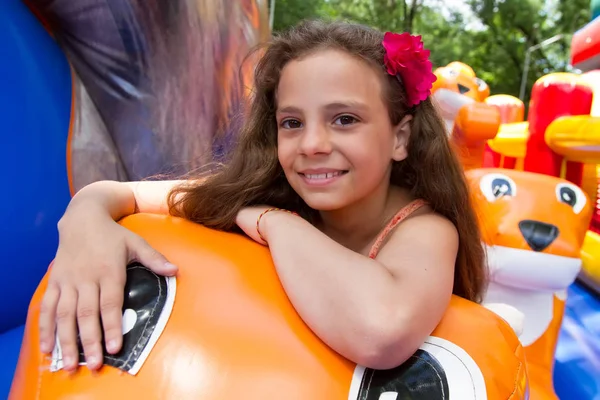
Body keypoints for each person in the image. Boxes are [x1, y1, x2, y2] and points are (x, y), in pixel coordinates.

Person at [38, 19, 487, 373]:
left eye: (345, 119)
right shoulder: (268, 193)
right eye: (291, 123)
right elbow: (113, 193)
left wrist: (275, 223)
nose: (311, 144)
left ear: (400, 138)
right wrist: (85, 225)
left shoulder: (425, 229)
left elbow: (381, 331)